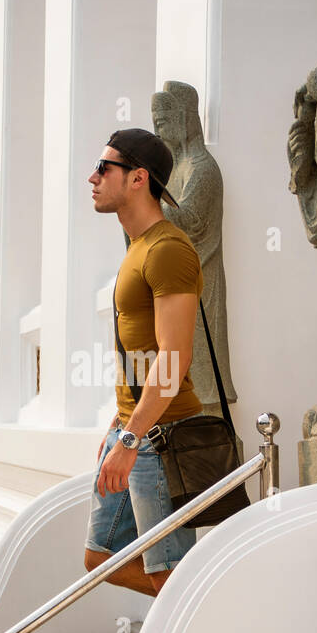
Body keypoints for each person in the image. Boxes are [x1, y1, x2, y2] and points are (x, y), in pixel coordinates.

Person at [83, 128, 204, 597]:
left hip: (158, 437)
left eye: (104, 168)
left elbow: (174, 356)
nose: (92, 177)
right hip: (134, 428)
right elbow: (141, 348)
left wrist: (131, 438)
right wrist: (120, 420)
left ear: (138, 178)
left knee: (167, 575)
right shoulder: (137, 247)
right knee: (100, 560)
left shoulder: (167, 249)